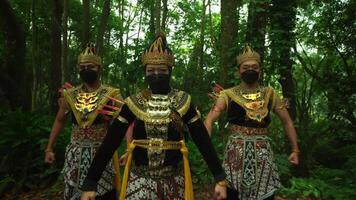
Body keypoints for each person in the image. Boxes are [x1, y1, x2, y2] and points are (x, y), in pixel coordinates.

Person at [80, 33, 227, 200]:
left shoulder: (183, 100)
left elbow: (202, 139)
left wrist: (219, 178)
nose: (156, 74)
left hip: (174, 181)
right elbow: (111, 140)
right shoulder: (133, 102)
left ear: (170, 71)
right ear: (145, 72)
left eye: (162, 70)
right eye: (151, 70)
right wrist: (91, 182)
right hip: (139, 181)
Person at [204, 44, 299, 200]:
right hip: (235, 153)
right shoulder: (227, 94)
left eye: (254, 67)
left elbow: (287, 122)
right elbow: (209, 120)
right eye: (245, 67)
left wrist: (295, 150)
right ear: (238, 71)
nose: (250, 70)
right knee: (232, 194)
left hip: (263, 155)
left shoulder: (270, 93)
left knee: (265, 196)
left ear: (260, 71)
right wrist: (206, 149)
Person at [44, 44, 125, 200]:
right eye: (83, 67)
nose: (86, 69)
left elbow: (126, 122)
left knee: (103, 194)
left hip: (101, 153)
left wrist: (129, 148)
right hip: (75, 154)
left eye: (90, 66)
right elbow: (60, 120)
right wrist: (49, 148)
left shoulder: (112, 94)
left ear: (99, 68)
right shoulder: (71, 94)